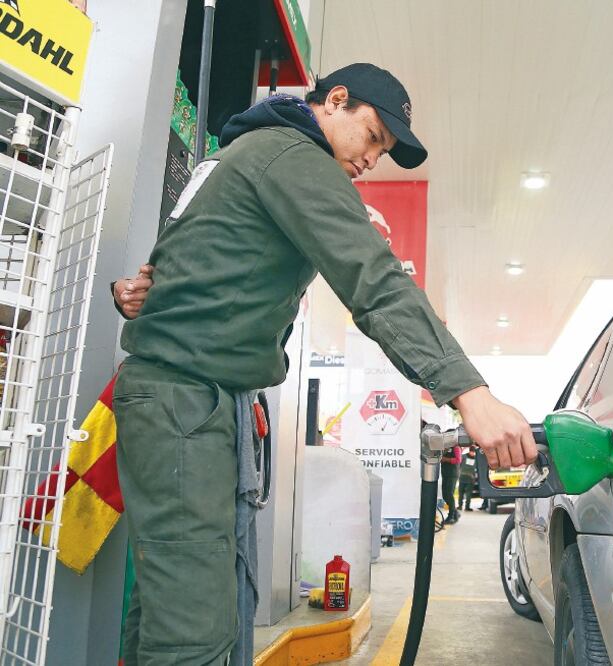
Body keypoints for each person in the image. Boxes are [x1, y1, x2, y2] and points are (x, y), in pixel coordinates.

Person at [111, 63, 537, 665]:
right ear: (335, 101)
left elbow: (179, 256)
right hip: (184, 402)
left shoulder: (247, 151)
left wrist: (146, 290)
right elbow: (376, 282)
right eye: (372, 137)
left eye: (384, 151)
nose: (373, 159)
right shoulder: (293, 156)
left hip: (190, 400)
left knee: (174, 604)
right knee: (195, 628)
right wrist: (469, 392)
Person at [441, 440, 461, 524]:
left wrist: (446, 459)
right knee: (445, 495)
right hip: (445, 473)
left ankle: (451, 516)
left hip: (452, 473)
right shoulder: (444, 447)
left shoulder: (456, 447)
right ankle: (455, 513)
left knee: (449, 494)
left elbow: (458, 460)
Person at [458, 446, 477, 511]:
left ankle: (467, 507)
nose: (473, 453)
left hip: (470, 478)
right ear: (469, 451)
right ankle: (460, 506)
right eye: (472, 452)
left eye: (474, 452)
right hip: (462, 477)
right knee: (461, 492)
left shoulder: (476, 458)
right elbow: (459, 465)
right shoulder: (463, 456)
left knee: (469, 494)